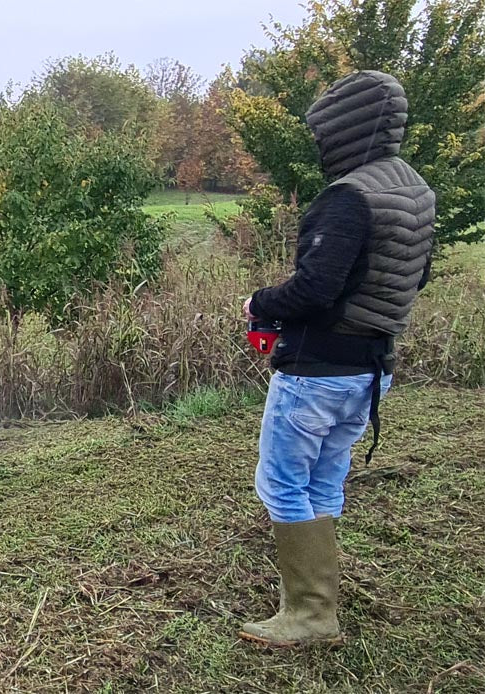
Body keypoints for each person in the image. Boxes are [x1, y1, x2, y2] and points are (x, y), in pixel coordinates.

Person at [239, 70, 435, 647]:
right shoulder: (414, 189)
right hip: (371, 371)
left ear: (343, 129)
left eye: (322, 133)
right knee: (324, 480)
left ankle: (309, 615)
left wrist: (259, 301)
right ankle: (315, 603)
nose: (319, 146)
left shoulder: (349, 196)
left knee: (279, 483)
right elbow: (414, 275)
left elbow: (314, 291)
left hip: (317, 371)